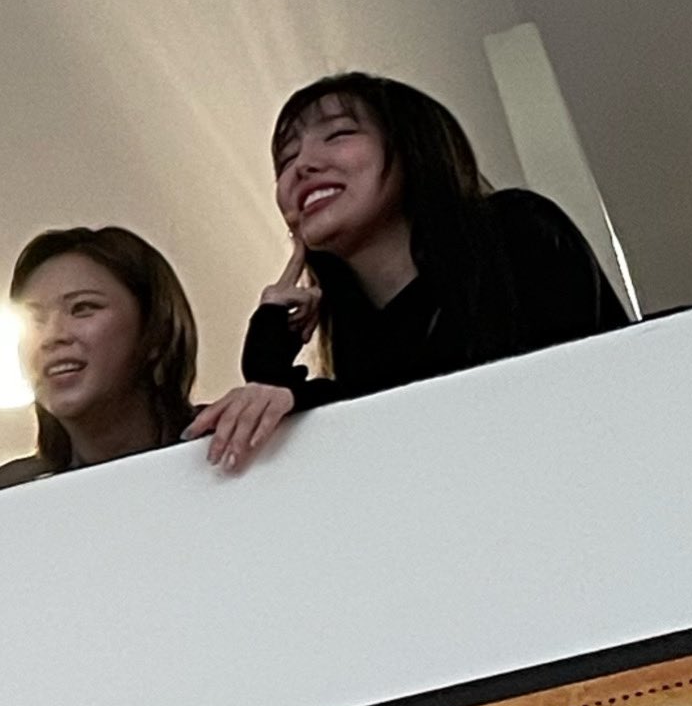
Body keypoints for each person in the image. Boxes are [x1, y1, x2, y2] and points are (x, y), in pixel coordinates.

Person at [195, 71, 629, 472]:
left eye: (339, 134)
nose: (302, 166)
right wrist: (269, 354)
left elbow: (517, 401)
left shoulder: (515, 229)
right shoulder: (363, 339)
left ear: (411, 146)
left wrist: (299, 394)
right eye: (287, 159)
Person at [0, 229, 201, 500]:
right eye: (34, 319)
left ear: (156, 331)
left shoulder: (227, 446)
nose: (52, 336)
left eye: (82, 308)